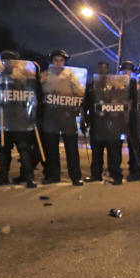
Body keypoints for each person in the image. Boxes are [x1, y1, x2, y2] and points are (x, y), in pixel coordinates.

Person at [0, 51, 38, 188]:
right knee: (3, 148)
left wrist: (31, 112)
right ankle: (3, 175)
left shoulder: (24, 77)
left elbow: (31, 95)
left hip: (20, 119)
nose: (7, 63)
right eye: (5, 61)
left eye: (10, 60)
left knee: (24, 148)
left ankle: (28, 176)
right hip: (4, 119)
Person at [39, 50, 85, 186]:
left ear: (65, 62)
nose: (58, 63)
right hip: (50, 116)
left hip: (67, 116)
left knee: (71, 148)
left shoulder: (70, 75)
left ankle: (75, 176)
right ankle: (53, 176)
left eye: (61, 60)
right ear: (51, 61)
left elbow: (80, 93)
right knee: (51, 149)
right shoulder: (45, 76)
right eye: (56, 60)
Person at [82, 61, 110, 181]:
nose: (102, 71)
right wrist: (84, 120)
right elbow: (86, 106)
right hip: (96, 124)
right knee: (96, 152)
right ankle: (96, 175)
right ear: (97, 70)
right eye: (100, 69)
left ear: (108, 70)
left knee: (113, 152)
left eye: (104, 69)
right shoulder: (91, 86)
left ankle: (114, 173)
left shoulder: (113, 85)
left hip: (110, 125)